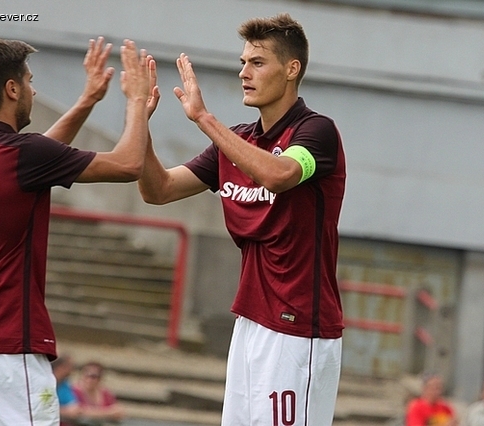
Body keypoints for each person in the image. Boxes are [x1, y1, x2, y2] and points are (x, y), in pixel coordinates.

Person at [0, 35, 155, 425]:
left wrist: (87, 100)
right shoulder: (23, 154)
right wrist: (136, 100)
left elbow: (36, 161)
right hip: (4, 347)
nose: (33, 90)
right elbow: (129, 164)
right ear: (11, 89)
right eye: (29, 81)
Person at [138, 13, 346, 426]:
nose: (243, 73)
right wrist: (138, 123)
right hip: (250, 323)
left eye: (257, 62)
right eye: (243, 62)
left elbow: (278, 174)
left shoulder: (317, 132)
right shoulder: (238, 141)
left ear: (292, 69)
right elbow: (158, 190)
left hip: (297, 329)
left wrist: (204, 118)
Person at [52, 354, 80, 426]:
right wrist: (64, 411)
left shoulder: (65, 384)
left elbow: (74, 407)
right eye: (70, 366)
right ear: (60, 367)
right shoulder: (47, 382)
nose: (72, 370)